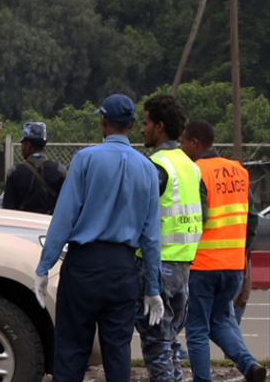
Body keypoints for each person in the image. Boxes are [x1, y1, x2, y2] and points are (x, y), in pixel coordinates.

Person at [34, 93, 162, 382]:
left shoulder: (85, 159)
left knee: (71, 349)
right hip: (123, 269)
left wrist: (45, 267)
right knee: (117, 351)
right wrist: (153, 287)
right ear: (131, 125)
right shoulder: (147, 169)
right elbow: (151, 235)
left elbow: (63, 219)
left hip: (83, 266)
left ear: (104, 122)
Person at [179, 120, 266, 382]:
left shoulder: (196, 172)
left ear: (195, 143)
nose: (181, 147)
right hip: (233, 266)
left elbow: (198, 218)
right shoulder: (238, 171)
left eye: (183, 142)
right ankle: (249, 365)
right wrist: (243, 254)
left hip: (203, 265)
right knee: (218, 322)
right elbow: (252, 219)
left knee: (196, 329)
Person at [136, 94, 204, 382]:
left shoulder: (157, 167)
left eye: (146, 122)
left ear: (160, 126)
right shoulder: (191, 166)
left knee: (156, 344)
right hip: (183, 270)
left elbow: (138, 218)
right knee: (170, 342)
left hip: (157, 269)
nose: (141, 129)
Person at [1, 122, 67, 214]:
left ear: (28, 145)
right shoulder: (59, 170)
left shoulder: (15, 172)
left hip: (22, 225)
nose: (22, 148)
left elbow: (7, 209)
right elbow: (66, 207)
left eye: (23, 144)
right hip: (50, 225)